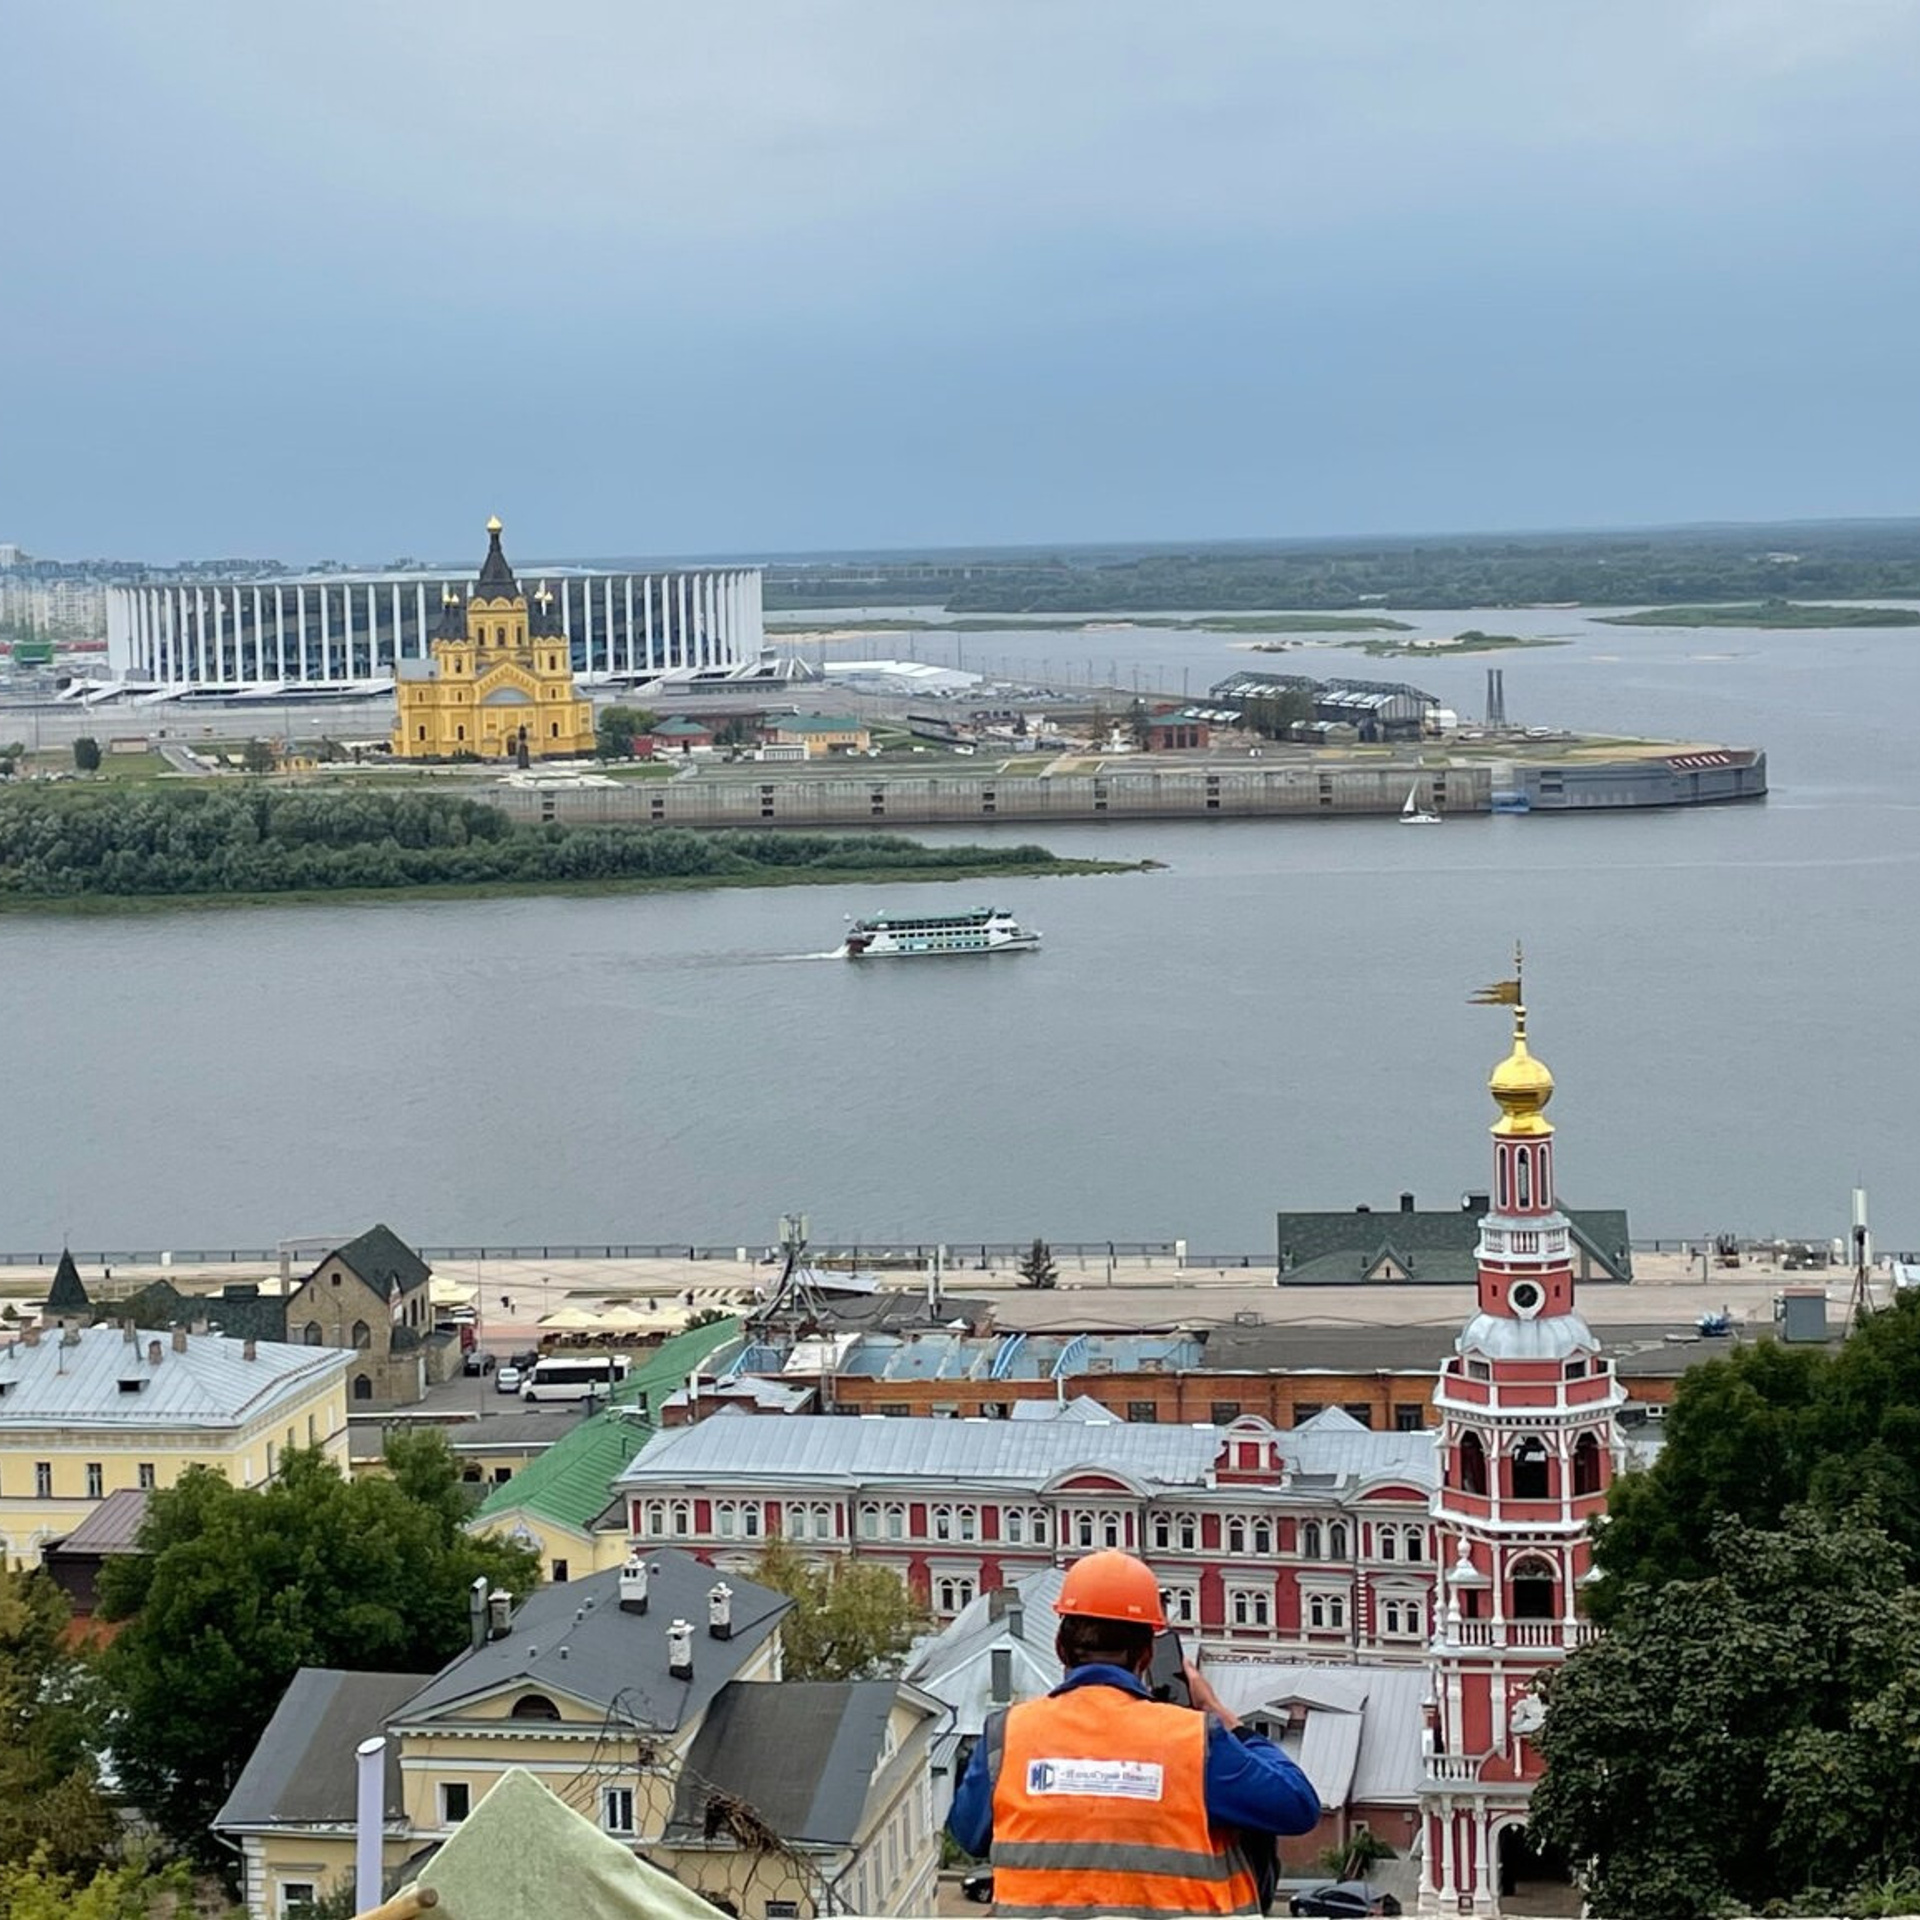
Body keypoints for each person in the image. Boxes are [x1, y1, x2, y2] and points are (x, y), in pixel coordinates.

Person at [947, 1550, 1320, 1916]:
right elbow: (1298, 1807)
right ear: (1146, 1656)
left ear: (1061, 1649)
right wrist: (1221, 1715)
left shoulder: (1008, 1735)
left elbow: (969, 1834)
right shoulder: (1195, 1742)